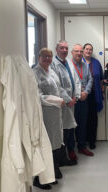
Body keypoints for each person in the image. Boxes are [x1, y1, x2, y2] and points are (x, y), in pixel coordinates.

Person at [32, 48, 64, 189]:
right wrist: (57, 100)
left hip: (56, 113)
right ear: (39, 57)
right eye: (44, 56)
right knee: (46, 144)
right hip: (45, 113)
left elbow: (59, 88)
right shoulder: (35, 73)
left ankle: (54, 170)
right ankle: (40, 179)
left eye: (49, 56)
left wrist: (63, 99)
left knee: (56, 142)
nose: (47, 59)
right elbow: (37, 95)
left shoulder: (51, 71)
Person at [51, 40, 81, 166]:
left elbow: (76, 80)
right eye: (61, 48)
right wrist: (68, 100)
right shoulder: (53, 64)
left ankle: (69, 153)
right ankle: (62, 158)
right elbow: (57, 85)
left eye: (66, 48)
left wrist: (76, 96)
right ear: (56, 49)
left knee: (70, 129)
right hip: (63, 103)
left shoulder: (68, 62)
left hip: (72, 102)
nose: (64, 50)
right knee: (62, 131)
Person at [67, 44, 94, 158]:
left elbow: (90, 79)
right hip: (72, 100)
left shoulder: (85, 65)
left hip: (83, 99)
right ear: (72, 53)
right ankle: (71, 149)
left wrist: (86, 92)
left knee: (82, 124)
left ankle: (82, 147)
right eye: (76, 51)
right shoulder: (67, 65)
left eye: (80, 51)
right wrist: (78, 93)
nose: (79, 53)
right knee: (70, 126)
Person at [82, 43, 104, 149]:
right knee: (82, 118)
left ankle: (92, 141)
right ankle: (82, 141)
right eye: (86, 49)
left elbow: (101, 79)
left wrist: (102, 92)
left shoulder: (96, 63)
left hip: (94, 95)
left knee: (93, 119)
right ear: (83, 50)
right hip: (82, 96)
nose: (88, 51)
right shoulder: (78, 62)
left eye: (90, 49)